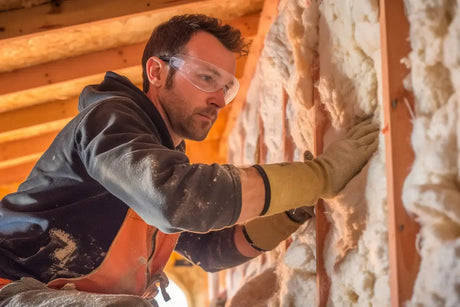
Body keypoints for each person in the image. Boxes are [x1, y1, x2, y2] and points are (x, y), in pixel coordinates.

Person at [0, 14, 379, 306]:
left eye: (226, 87)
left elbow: (210, 249)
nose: (218, 98)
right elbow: (176, 200)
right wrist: (321, 174)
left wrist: (294, 209)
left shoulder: (154, 165)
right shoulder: (109, 122)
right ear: (157, 71)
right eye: (205, 77)